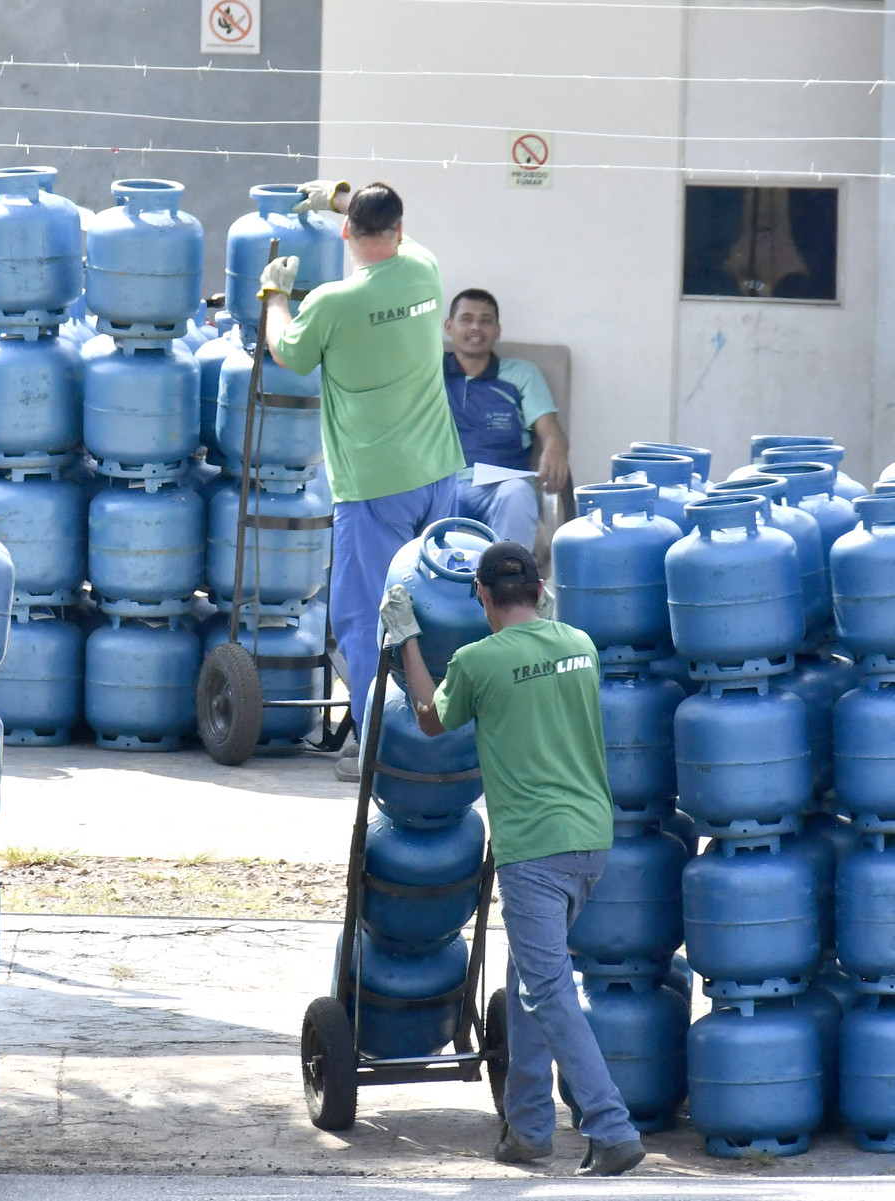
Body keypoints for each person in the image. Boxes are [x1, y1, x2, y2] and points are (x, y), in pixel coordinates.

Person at [391, 541, 644, 1178]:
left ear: (481, 596)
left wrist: (408, 641)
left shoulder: (479, 661)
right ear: (538, 590)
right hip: (591, 841)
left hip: (534, 851)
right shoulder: (581, 645)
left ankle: (611, 1128)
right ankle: (527, 1128)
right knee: (532, 985)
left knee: (549, 990)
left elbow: (428, 719)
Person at [261, 180, 463, 782]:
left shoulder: (330, 303)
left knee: (368, 614)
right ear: (399, 229)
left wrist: (275, 295)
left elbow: (287, 354)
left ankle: (380, 746)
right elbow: (386, 224)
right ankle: (437, 735)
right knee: (435, 605)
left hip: (375, 484)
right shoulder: (425, 270)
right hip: (437, 472)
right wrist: (340, 196)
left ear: (346, 235)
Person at [443, 289, 569, 547]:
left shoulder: (522, 374)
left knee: (518, 493)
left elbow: (550, 431)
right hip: (444, 485)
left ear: (497, 330)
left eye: (486, 320)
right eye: (466, 319)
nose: (476, 327)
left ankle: (509, 579)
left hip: (501, 485)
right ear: (449, 326)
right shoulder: (428, 372)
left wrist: (555, 448)